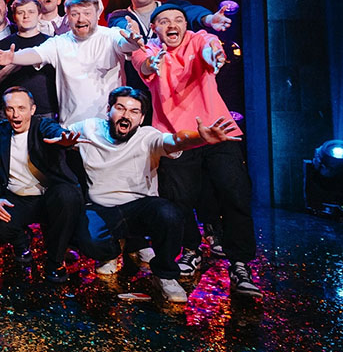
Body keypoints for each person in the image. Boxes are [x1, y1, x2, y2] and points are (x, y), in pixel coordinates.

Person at [129, 4, 260, 296]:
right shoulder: (148, 50)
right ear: (155, 28)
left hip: (218, 130)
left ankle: (240, 263)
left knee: (235, 194)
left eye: (178, 20)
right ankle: (191, 249)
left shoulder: (198, 38)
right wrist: (152, 63)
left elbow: (210, 47)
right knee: (178, 200)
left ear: (185, 25)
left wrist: (214, 55)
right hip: (176, 137)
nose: (171, 25)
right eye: (164, 21)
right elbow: (144, 65)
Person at [69, 87, 242, 303]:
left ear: (141, 118)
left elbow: (176, 140)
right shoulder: (90, 127)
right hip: (101, 208)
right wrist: (61, 141)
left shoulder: (148, 136)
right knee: (88, 240)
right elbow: (59, 132)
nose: (126, 115)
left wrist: (200, 138)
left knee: (169, 213)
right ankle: (113, 251)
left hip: (140, 208)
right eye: (120, 108)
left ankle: (165, 275)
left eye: (134, 111)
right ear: (109, 110)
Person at [0, 87, 84, 281]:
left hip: (49, 198)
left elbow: (55, 132)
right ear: (4, 111)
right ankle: (22, 242)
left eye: (21, 108)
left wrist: (63, 140)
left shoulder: (43, 126)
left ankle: (55, 261)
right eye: (10, 109)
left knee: (68, 196)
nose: (16, 114)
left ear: (32, 109)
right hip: (18, 199)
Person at [0, 0, 138, 126]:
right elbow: (36, 53)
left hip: (108, 124)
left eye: (87, 13)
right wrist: (13, 57)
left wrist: (133, 40)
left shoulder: (111, 35)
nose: (81, 19)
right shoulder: (59, 42)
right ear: (67, 17)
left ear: (97, 14)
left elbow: (126, 44)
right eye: (75, 14)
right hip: (71, 127)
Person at [0, 0, 58, 118]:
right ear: (14, 17)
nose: (26, 16)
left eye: (31, 12)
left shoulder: (51, 43)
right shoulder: (4, 45)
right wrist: (11, 66)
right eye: (20, 12)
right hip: (12, 112)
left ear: (39, 15)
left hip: (46, 111)